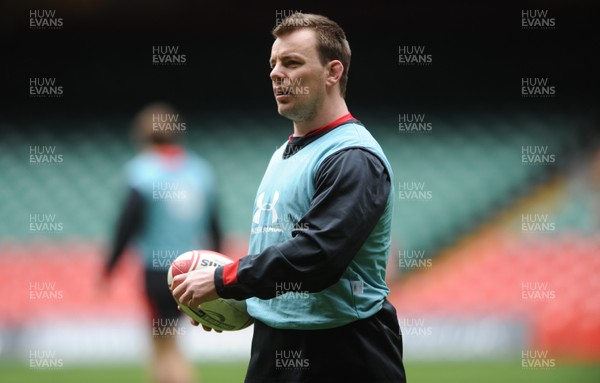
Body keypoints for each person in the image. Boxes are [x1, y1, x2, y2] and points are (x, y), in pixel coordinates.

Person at [172, 12, 406, 383]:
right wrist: (240, 303)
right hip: (274, 346)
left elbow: (316, 257)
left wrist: (225, 280)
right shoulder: (284, 152)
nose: (276, 73)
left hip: (343, 351)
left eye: (292, 62)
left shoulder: (353, 157)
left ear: (333, 72)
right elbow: (280, 249)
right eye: (273, 63)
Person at [105, 102, 221, 383]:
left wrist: (109, 267)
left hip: (157, 270)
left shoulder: (141, 171)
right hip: (191, 269)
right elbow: (215, 226)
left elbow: (127, 225)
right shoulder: (199, 171)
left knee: (165, 345)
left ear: (143, 137)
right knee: (164, 342)